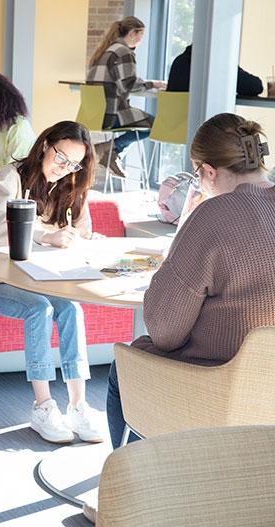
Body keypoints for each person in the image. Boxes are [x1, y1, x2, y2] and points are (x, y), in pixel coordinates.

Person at [106, 113, 275, 451]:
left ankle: (142, 488)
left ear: (209, 171)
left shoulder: (212, 215)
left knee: (122, 367)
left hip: (217, 382)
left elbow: (164, 332)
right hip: (267, 389)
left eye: (198, 174)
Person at [0, 121, 103, 444]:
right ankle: (42, 406)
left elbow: (81, 230)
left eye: (74, 163)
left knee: (71, 308)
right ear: (44, 145)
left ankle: (78, 406)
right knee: (39, 310)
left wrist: (83, 239)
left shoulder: (72, 184)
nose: (65, 168)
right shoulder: (10, 177)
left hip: (39, 280)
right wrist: (46, 236)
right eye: (60, 157)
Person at [86, 17, 167, 178]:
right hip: (112, 114)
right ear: (132, 33)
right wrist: (156, 84)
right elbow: (129, 85)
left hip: (95, 114)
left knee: (138, 122)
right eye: (141, 36)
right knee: (157, 125)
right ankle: (110, 148)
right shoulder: (124, 52)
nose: (141, 41)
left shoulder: (105, 50)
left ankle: (110, 151)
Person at [167, 44, 264, 96]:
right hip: (206, 129)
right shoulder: (217, 64)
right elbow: (255, 87)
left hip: (172, 130)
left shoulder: (179, 61)